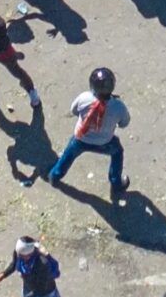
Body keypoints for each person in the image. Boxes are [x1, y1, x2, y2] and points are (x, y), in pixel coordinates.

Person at [52, 65, 130, 198]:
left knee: (68, 155)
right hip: (105, 142)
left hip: (81, 137)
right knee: (117, 152)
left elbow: (74, 111)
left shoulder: (84, 98)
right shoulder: (118, 106)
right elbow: (124, 123)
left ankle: (54, 176)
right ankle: (116, 183)